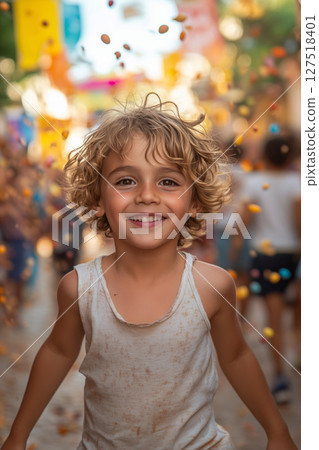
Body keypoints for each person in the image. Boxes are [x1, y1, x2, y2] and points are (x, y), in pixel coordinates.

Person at [2, 94, 297, 449]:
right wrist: (17, 435)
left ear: (195, 202)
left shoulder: (210, 285)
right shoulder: (79, 287)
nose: (146, 195)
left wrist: (277, 431)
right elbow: (57, 353)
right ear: (98, 198)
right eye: (125, 181)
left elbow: (235, 356)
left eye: (168, 182)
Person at [241, 135, 301, 405]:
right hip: (294, 253)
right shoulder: (295, 182)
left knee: (273, 317)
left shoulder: (253, 183)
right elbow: (301, 222)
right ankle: (299, 356)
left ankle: (280, 376)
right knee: (299, 310)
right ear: (291, 157)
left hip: (265, 255)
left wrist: (234, 247)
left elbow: (244, 219)